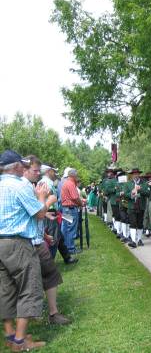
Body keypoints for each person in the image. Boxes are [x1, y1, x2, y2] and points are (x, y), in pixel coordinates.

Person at [0, 150, 53, 351]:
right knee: (28, 289)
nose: (24, 168)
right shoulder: (18, 185)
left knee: (5, 290)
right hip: (18, 244)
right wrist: (41, 196)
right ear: (15, 167)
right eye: (22, 165)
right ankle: (20, 342)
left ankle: (10, 335)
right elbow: (40, 213)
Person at [23, 156, 71, 325]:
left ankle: (49, 314)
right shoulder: (25, 187)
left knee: (47, 275)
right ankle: (33, 321)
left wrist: (43, 234)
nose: (38, 174)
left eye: (38, 170)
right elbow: (38, 213)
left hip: (35, 238)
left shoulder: (29, 186)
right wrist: (47, 200)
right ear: (24, 169)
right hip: (27, 242)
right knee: (36, 279)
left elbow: (29, 217)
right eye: (35, 171)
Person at [60, 168, 85, 254]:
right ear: (73, 175)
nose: (77, 177)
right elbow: (74, 197)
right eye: (76, 175)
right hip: (70, 209)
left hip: (65, 209)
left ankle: (67, 247)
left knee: (67, 229)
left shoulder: (66, 183)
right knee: (71, 229)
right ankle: (70, 248)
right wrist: (81, 203)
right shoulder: (70, 184)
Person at [125, 168, 150, 248]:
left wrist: (140, 189)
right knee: (132, 223)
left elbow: (148, 193)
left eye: (137, 174)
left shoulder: (144, 183)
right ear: (132, 175)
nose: (136, 175)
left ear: (139, 174)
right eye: (134, 174)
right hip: (132, 206)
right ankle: (133, 240)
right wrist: (131, 193)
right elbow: (125, 194)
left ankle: (139, 239)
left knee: (140, 223)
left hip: (141, 205)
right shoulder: (128, 184)